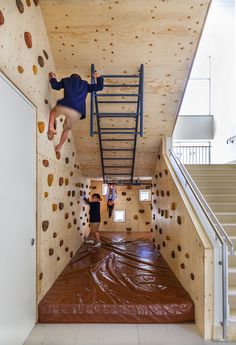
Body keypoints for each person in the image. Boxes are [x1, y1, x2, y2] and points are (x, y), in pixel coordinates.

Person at [47, 71, 104, 152]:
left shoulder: (66, 80)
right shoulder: (85, 85)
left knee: (53, 111)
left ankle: (51, 127)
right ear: (80, 79)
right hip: (77, 112)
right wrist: (98, 77)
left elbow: (55, 86)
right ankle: (59, 147)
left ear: (71, 77)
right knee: (66, 130)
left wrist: (53, 78)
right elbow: (100, 87)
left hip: (65, 105)